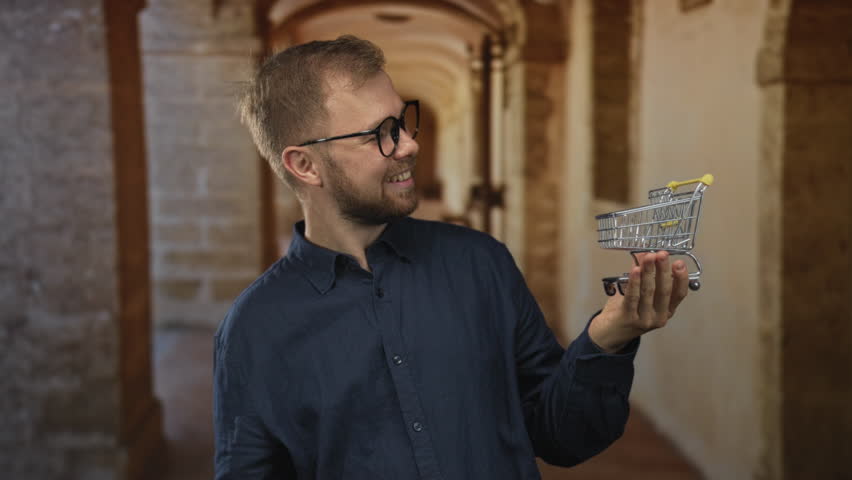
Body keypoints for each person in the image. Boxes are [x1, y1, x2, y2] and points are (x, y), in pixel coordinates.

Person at [214, 35, 690, 479]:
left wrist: (607, 339)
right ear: (304, 165)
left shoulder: (481, 263)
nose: (409, 144)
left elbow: (561, 436)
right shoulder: (255, 329)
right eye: (379, 133)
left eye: (401, 121)